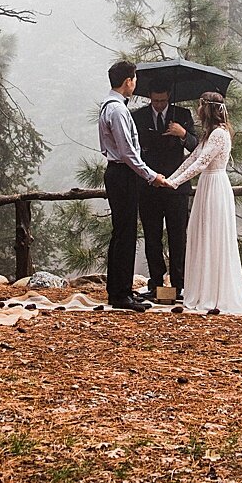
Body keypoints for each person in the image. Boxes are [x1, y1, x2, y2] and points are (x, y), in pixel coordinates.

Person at [164, 92, 242, 314]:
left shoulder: (219, 135)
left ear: (207, 108)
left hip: (215, 184)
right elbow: (192, 159)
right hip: (207, 185)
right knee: (202, 233)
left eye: (200, 105)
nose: (197, 109)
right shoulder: (209, 134)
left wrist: (174, 183)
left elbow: (202, 164)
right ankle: (203, 288)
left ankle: (214, 292)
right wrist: (170, 178)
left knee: (213, 235)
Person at [98, 61, 167, 310]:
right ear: (128, 81)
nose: (135, 83)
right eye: (134, 79)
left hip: (122, 173)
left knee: (123, 232)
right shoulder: (116, 110)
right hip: (122, 173)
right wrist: (151, 175)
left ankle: (121, 288)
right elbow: (127, 152)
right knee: (124, 234)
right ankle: (119, 294)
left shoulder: (113, 106)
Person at [134, 85, 198, 299]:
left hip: (176, 186)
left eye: (162, 101)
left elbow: (197, 146)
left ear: (168, 97)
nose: (159, 105)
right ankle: (156, 283)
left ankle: (179, 284)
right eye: (155, 101)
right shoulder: (138, 117)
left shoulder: (182, 115)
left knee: (178, 236)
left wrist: (182, 134)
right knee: (152, 237)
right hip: (149, 186)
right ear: (150, 97)